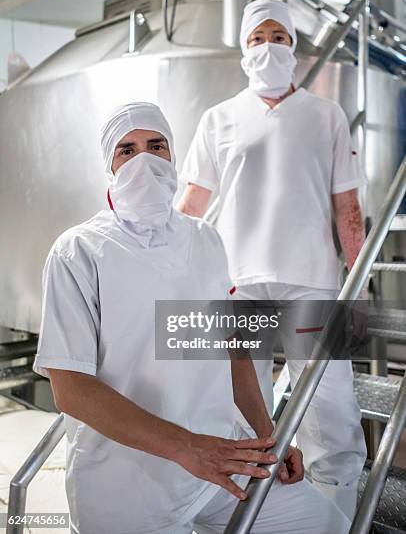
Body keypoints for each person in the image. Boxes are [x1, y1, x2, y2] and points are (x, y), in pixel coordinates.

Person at [33, 102, 349, 534]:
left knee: (328, 524)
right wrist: (188, 449)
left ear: (172, 154)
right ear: (109, 164)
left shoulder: (205, 240)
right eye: (127, 150)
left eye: (155, 145)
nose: (143, 159)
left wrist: (266, 439)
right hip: (127, 489)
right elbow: (71, 390)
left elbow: (234, 350)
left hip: (220, 466)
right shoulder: (78, 252)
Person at [178, 0, 368, 520]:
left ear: (294, 47)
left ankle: (337, 515)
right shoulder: (219, 119)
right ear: (244, 49)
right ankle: (256, 514)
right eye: (258, 38)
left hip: (311, 280)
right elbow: (192, 203)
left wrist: (357, 281)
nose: (268, 48)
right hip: (239, 284)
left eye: (278, 37)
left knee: (329, 405)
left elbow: (347, 207)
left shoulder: (326, 116)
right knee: (240, 403)